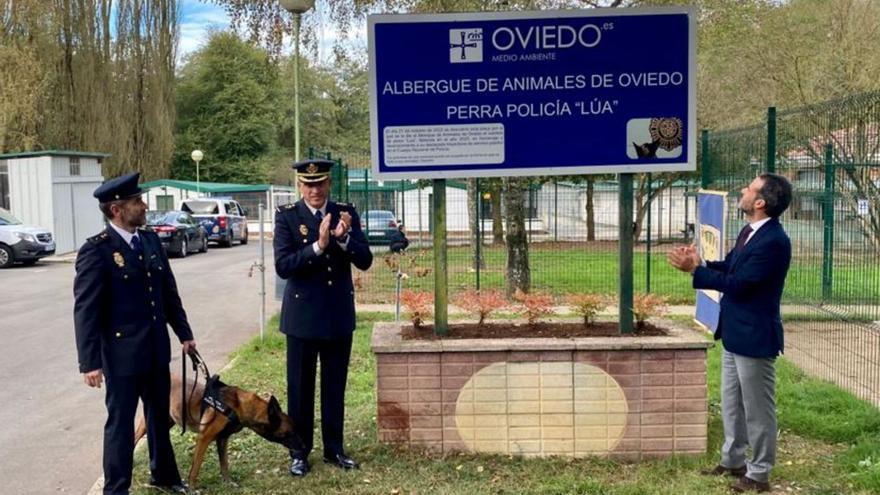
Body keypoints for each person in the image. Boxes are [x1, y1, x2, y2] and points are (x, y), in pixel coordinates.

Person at [668, 173, 793, 493]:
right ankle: (733, 461)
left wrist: (696, 271)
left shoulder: (774, 242)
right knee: (732, 403)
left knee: (758, 410)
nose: (743, 190)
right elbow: (732, 267)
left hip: (755, 336)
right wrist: (703, 262)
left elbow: (741, 286)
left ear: (760, 202)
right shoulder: (750, 232)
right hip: (735, 332)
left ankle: (760, 473)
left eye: (749, 188)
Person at [74, 172, 196, 495]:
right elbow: (86, 310)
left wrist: (184, 333)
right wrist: (89, 362)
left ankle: (165, 475)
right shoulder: (97, 251)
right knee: (120, 424)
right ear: (116, 210)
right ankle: (116, 489)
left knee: (158, 418)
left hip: (155, 350)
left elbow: (168, 293)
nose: (143, 206)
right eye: (137, 202)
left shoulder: (150, 241)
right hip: (121, 356)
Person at [273, 158, 373, 477]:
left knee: (334, 386)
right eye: (308, 184)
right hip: (303, 318)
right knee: (300, 389)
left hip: (337, 315)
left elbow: (366, 260)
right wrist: (318, 245)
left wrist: (344, 239)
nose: (315, 190)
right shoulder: (288, 217)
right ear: (300, 186)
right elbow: (284, 266)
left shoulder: (346, 212)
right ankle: (299, 452)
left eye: (320, 184)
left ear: (329, 184)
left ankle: (334, 449)